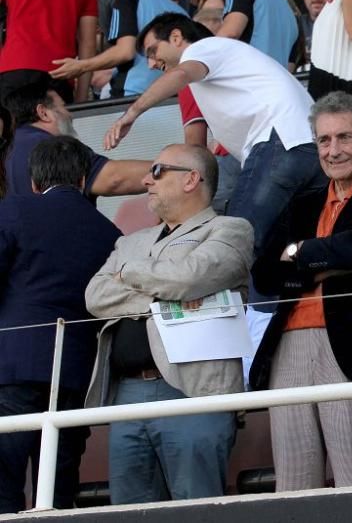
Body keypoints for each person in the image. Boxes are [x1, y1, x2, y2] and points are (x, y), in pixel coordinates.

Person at [249, 92, 352, 490]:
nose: (333, 150)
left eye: (344, 138)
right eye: (324, 140)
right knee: (292, 488)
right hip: (289, 347)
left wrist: (299, 253)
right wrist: (322, 261)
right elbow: (264, 274)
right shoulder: (301, 204)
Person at [85, 144, 253, 503]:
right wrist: (164, 297)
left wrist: (127, 274)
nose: (146, 179)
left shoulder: (230, 229)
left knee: (197, 508)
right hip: (127, 393)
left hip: (195, 388)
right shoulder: (130, 240)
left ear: (192, 179)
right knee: (128, 512)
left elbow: (187, 277)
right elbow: (95, 297)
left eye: (158, 171)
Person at [107, 14, 329, 258]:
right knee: (287, 256)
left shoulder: (203, 48)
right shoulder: (225, 66)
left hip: (280, 143)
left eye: (152, 51)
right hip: (310, 149)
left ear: (176, 37)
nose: (150, 64)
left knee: (232, 246)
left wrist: (132, 113)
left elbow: (181, 76)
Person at [0, 136, 122, 515]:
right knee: (57, 488)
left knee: (3, 479)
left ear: (34, 181)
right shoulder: (110, 234)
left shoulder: (14, 209)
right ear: (85, 179)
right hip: (76, 373)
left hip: (12, 367)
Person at [51, 0, 189, 98]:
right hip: (172, 98)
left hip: (132, 95)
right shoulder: (184, 13)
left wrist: (81, 65)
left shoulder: (127, 1)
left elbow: (125, 52)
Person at [1, 72, 148, 200]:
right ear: (43, 113)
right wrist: (166, 167)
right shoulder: (50, 145)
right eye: (63, 107)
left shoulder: (8, 148)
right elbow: (114, 179)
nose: (69, 114)